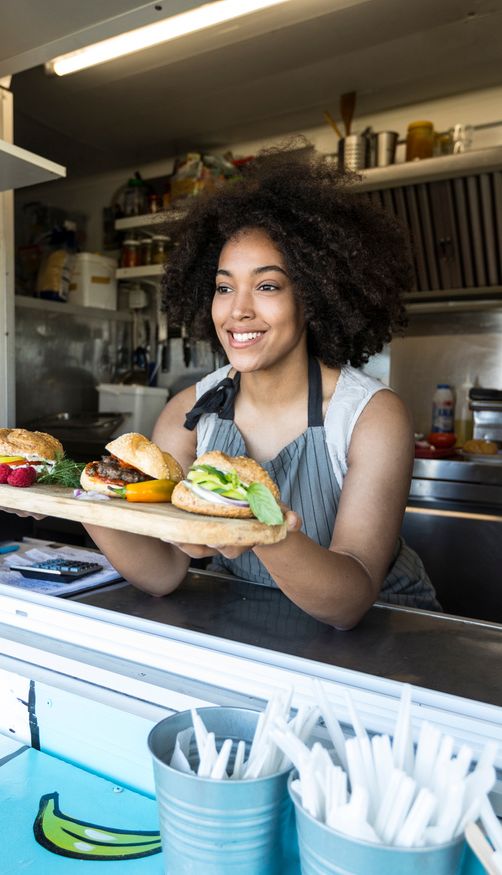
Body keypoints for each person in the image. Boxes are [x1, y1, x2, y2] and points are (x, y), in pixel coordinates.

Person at [82, 145, 436, 629]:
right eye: (224, 287)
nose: (237, 310)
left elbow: (349, 601)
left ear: (311, 296)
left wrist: (260, 528)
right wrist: (82, 503)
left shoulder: (370, 415)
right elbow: (164, 571)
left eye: (267, 286)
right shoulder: (191, 413)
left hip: (383, 640)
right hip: (251, 624)